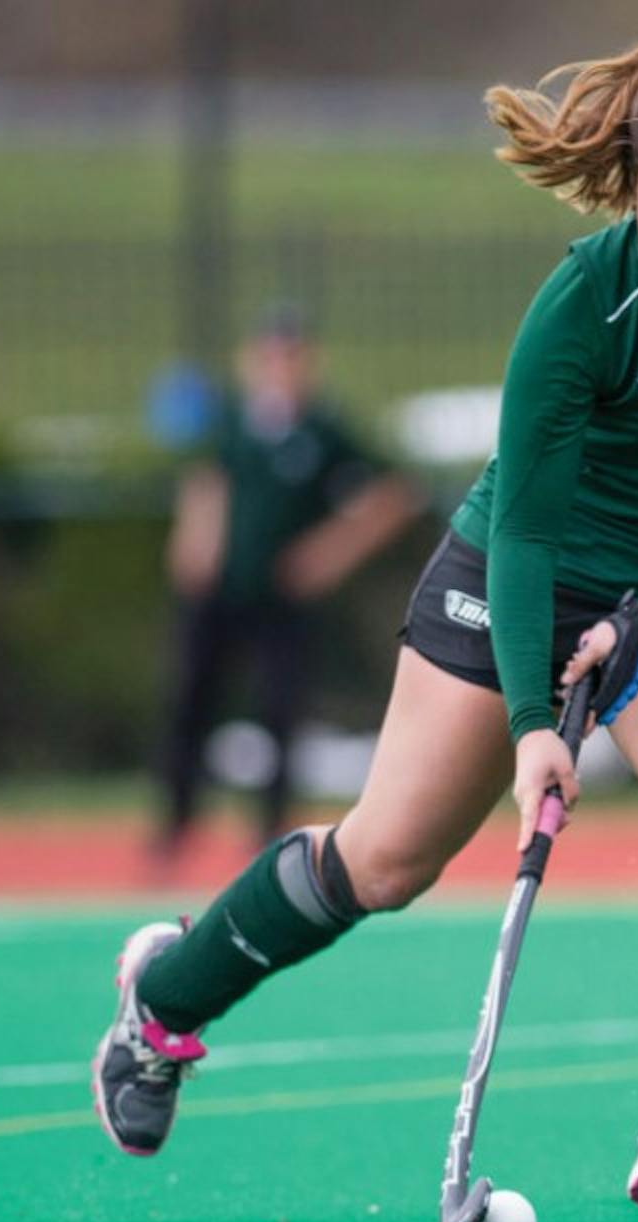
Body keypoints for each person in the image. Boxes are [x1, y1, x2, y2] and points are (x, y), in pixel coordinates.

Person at [92, 32, 638, 1222]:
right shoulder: (583, 302)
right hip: (529, 563)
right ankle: (163, 1001)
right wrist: (532, 725)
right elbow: (523, 533)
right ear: (632, 188)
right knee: (386, 859)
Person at [154, 305, 422, 868]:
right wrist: (196, 538)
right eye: (272, 355)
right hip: (219, 594)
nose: (281, 367)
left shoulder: (323, 431)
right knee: (191, 703)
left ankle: (267, 832)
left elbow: (392, 494)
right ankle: (175, 827)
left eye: (292, 356)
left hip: (281, 599)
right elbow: (206, 478)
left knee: (279, 712)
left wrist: (330, 552)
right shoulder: (232, 419)